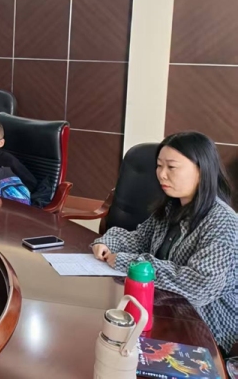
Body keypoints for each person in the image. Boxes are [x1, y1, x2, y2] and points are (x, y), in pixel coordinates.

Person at [91, 132, 238, 356]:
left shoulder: (222, 222)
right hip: (164, 309)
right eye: (159, 166)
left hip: (204, 328)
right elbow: (139, 239)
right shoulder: (172, 207)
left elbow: (200, 286)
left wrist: (131, 263)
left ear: (202, 170)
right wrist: (106, 242)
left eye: (172, 167)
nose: (161, 174)